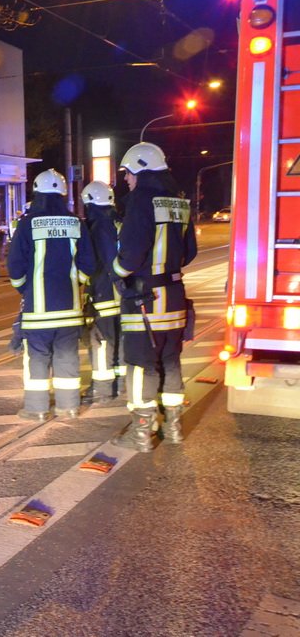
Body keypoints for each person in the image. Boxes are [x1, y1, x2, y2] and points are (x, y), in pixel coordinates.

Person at [112, 142, 197, 452]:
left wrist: (116, 271)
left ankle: (142, 433)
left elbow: (131, 254)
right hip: (174, 299)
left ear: (142, 169)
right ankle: (174, 427)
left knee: (140, 364)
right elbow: (189, 253)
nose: (126, 179)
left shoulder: (140, 201)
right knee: (171, 361)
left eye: (128, 172)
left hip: (144, 300)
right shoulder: (179, 203)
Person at [7, 169, 96, 421]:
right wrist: (75, 282)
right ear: (63, 194)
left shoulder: (26, 224)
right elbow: (88, 263)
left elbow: (15, 266)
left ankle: (36, 410)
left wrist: (26, 288)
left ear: (37, 193)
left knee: (37, 358)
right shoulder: (76, 223)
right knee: (67, 357)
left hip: (38, 312)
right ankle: (68, 407)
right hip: (70, 310)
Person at [80, 181, 123, 404]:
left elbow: (98, 262)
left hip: (105, 295)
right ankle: (122, 384)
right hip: (125, 296)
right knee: (122, 340)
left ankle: (102, 389)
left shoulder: (98, 228)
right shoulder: (119, 223)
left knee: (101, 342)